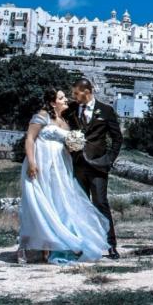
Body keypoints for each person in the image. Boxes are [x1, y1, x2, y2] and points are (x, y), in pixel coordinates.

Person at [17, 88, 110, 265]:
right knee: (40, 203)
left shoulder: (65, 122)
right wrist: (31, 162)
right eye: (61, 98)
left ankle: (52, 246)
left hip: (60, 167)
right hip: (41, 164)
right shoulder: (42, 116)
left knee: (58, 204)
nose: (65, 99)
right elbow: (30, 139)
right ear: (53, 103)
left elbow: (65, 144)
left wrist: (74, 145)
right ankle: (26, 245)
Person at [66, 78, 123, 260]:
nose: (73, 97)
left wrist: (109, 160)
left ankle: (110, 245)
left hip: (99, 166)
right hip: (78, 166)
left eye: (76, 93)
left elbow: (117, 138)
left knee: (100, 204)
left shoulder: (106, 111)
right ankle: (82, 244)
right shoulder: (72, 110)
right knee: (79, 206)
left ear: (87, 91)